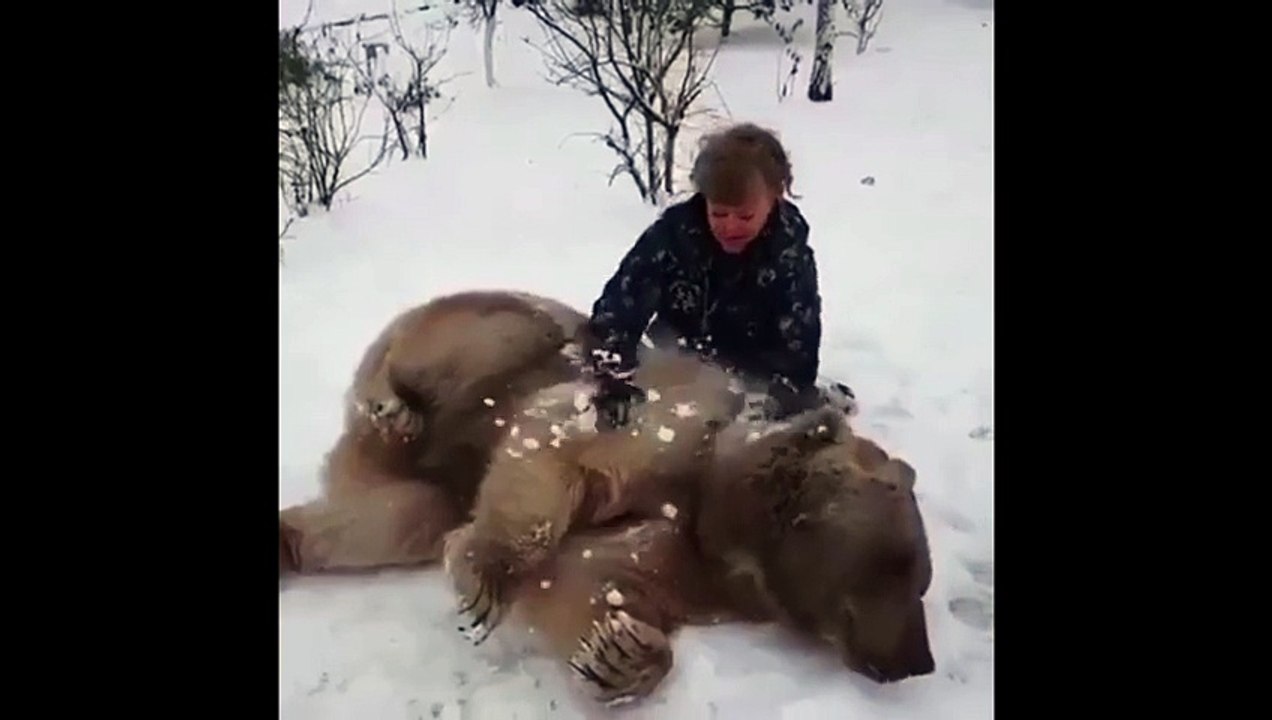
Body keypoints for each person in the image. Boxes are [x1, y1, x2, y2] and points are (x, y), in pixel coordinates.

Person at [582, 122, 856, 429]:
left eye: (745, 216)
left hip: (755, 373)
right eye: (719, 213)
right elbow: (618, 309)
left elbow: (800, 338)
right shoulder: (673, 237)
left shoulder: (787, 252)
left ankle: (818, 399)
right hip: (676, 360)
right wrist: (613, 379)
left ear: (776, 198)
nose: (730, 226)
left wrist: (787, 391)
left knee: (792, 421)